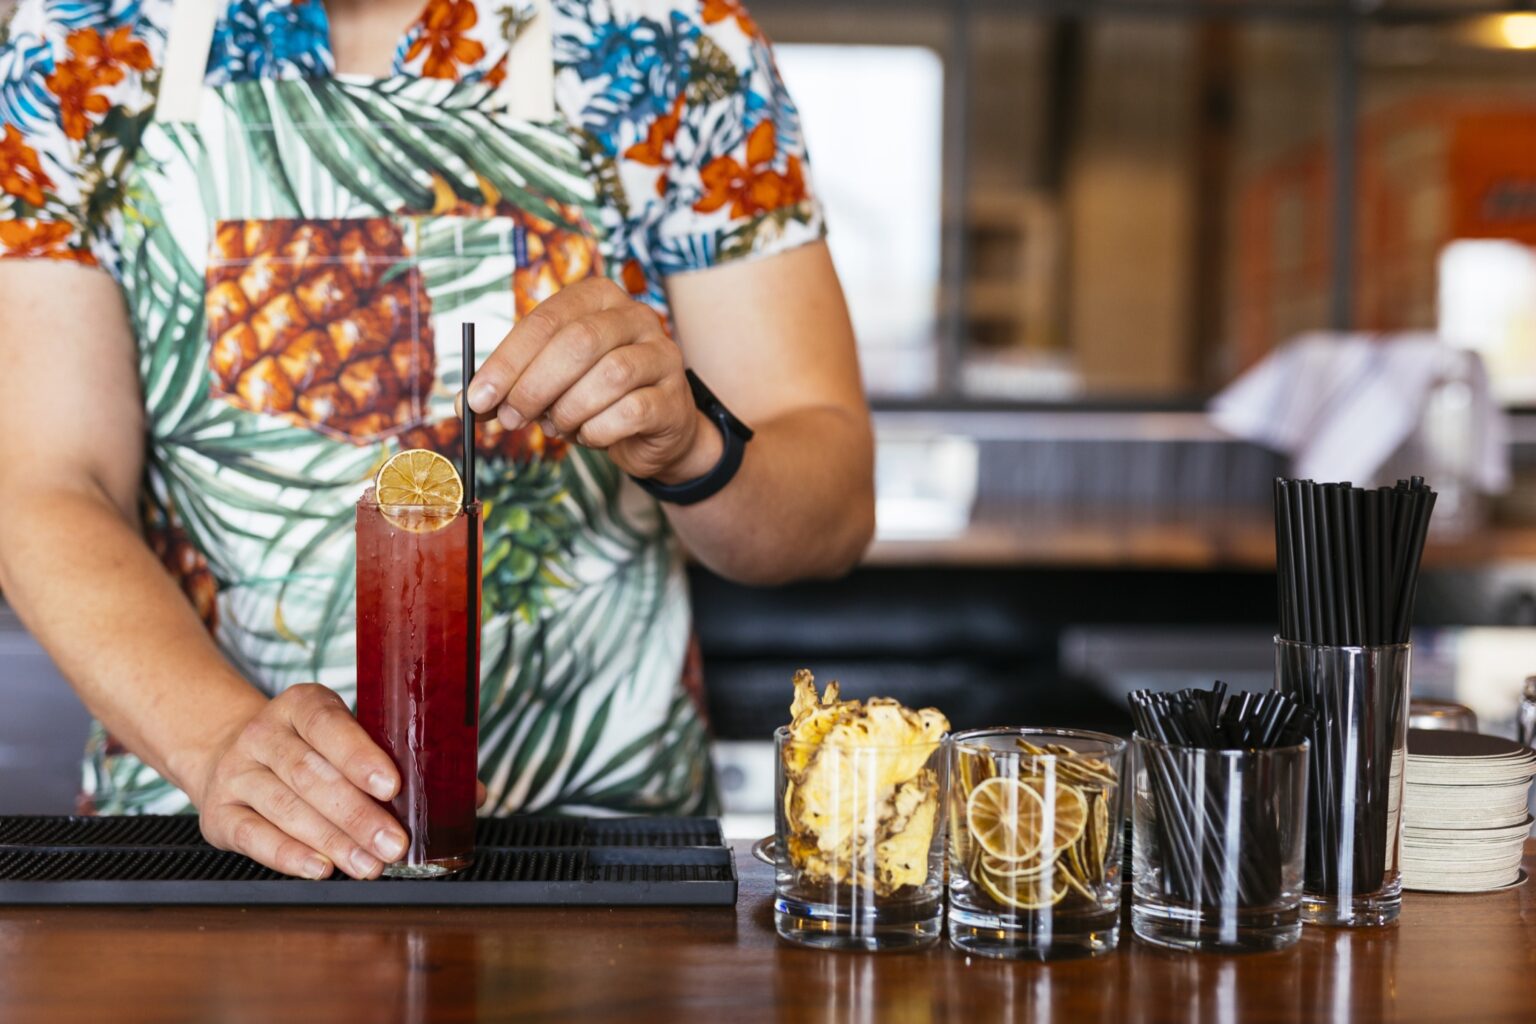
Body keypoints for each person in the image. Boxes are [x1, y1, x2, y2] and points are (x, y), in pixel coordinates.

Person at [0, 0, 872, 882]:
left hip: (600, 854)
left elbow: (832, 516)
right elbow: (41, 483)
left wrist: (691, 448)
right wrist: (220, 740)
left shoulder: (669, 44)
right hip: (202, 835)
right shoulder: (82, 45)